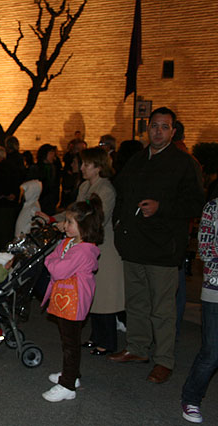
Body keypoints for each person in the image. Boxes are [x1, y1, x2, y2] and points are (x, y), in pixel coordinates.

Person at [108, 107, 205, 384]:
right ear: (147, 128)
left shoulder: (184, 163)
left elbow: (196, 203)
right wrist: (118, 227)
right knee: (136, 303)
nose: (158, 131)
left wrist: (162, 208)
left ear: (173, 131)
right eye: (154, 126)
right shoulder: (137, 159)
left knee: (162, 309)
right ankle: (137, 348)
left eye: (164, 126)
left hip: (163, 248)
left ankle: (164, 360)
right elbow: (121, 195)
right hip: (133, 245)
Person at [38, 148, 124, 355]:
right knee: (88, 294)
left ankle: (108, 341)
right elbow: (74, 212)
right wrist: (54, 219)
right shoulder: (86, 186)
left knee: (104, 297)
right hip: (83, 243)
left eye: (86, 164)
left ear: (99, 166)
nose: (82, 168)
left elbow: (93, 220)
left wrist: (67, 225)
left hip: (101, 246)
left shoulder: (106, 189)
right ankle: (96, 337)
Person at [41, 195, 104, 402]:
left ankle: (67, 384)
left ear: (83, 226)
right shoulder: (70, 243)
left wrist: (53, 259)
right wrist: (56, 258)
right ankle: (72, 375)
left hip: (74, 302)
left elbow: (57, 268)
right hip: (65, 300)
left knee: (70, 343)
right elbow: (57, 256)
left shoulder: (83, 251)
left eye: (70, 222)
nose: (65, 225)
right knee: (68, 340)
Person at [180, 198, 218, 424]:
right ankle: (191, 398)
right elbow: (205, 249)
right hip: (215, 288)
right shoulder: (213, 207)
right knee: (212, 352)